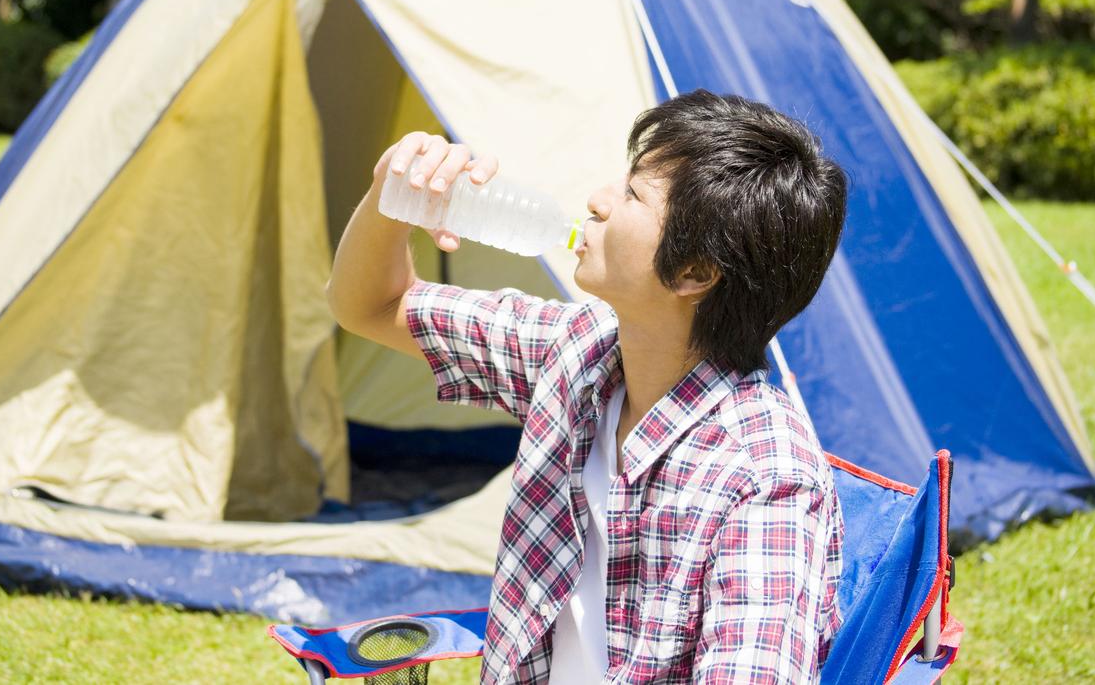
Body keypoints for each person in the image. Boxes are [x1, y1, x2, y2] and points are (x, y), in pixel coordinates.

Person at [326, 90, 849, 684]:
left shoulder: (765, 479)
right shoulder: (577, 352)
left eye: (632, 195)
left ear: (695, 273)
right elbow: (372, 304)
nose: (597, 201)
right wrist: (390, 198)